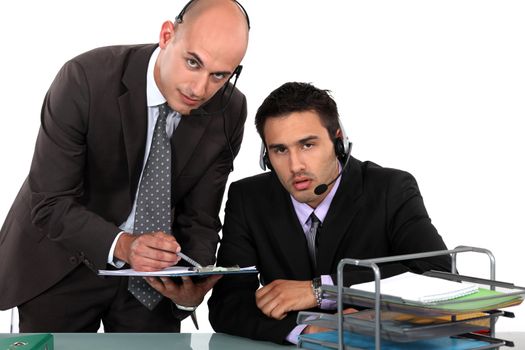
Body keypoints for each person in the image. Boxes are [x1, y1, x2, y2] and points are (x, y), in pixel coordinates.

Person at [0, 0, 249, 332]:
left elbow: (200, 218)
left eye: (219, 76)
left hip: (151, 281)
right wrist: (124, 245)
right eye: (192, 63)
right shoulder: (84, 80)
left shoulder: (228, 110)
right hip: (63, 260)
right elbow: (50, 202)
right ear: (167, 35)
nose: (199, 89)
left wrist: (192, 279)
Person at [207, 82, 452, 344]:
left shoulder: (390, 189)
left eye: (308, 145)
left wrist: (322, 290)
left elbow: (437, 274)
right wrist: (309, 330)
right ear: (266, 156)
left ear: (338, 142)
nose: (295, 166)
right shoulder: (248, 198)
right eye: (280, 150)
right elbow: (227, 306)